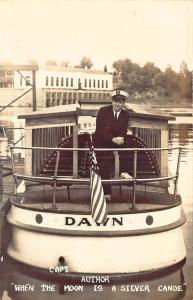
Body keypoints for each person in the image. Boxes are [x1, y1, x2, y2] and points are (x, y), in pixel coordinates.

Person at [94, 89, 132, 201]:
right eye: (115, 101)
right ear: (112, 101)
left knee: (128, 148)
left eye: (120, 102)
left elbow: (124, 130)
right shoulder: (103, 111)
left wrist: (121, 139)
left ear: (123, 103)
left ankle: (124, 172)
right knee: (105, 160)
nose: (117, 104)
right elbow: (100, 130)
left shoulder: (125, 114)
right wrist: (112, 139)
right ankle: (107, 192)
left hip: (116, 140)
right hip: (102, 141)